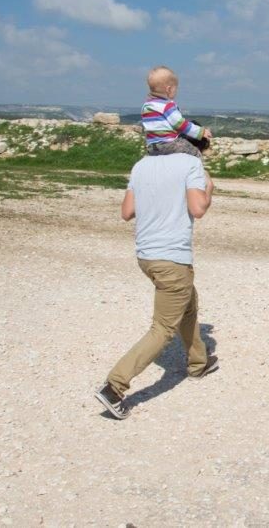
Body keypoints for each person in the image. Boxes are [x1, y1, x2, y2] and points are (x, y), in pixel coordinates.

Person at [94, 150, 218, 420]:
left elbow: (127, 212)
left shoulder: (141, 165)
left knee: (188, 305)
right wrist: (208, 188)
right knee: (163, 328)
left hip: (146, 257)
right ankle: (114, 387)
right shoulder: (190, 164)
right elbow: (198, 209)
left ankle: (198, 363)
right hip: (172, 259)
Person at [141, 65, 212, 158]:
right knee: (194, 153)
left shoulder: (146, 106)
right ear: (169, 89)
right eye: (176, 88)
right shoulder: (167, 106)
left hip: (152, 147)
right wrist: (200, 132)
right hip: (169, 144)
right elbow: (180, 124)